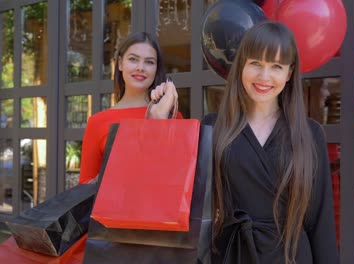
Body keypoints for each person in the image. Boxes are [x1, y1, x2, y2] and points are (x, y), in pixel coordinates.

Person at [202, 21, 338, 263]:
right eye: (255, 63)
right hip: (233, 254)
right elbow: (182, 194)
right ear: (241, 65)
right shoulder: (213, 127)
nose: (264, 77)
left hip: (291, 256)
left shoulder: (309, 134)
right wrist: (159, 122)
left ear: (289, 72)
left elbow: (321, 222)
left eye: (276, 66)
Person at [78, 31, 181, 184]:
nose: (141, 68)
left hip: (160, 207)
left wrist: (160, 120)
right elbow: (84, 186)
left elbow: (179, 177)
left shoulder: (173, 116)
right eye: (133, 59)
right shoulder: (97, 122)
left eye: (149, 62)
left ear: (156, 68)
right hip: (112, 207)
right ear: (120, 63)